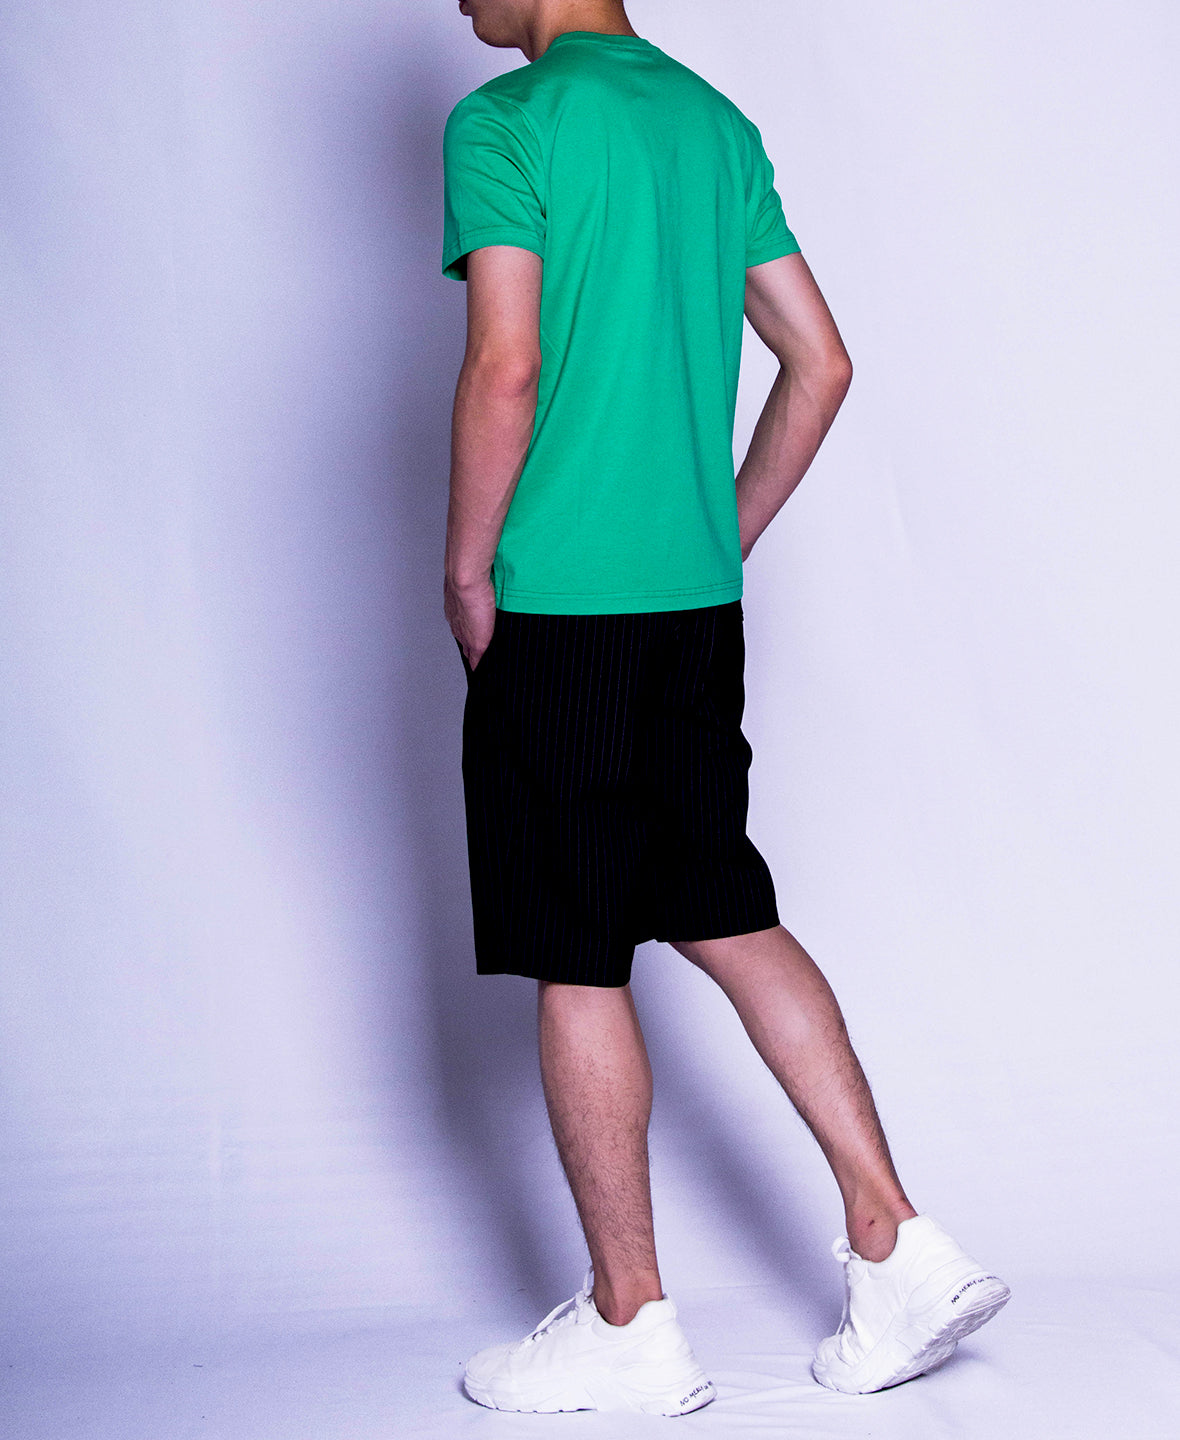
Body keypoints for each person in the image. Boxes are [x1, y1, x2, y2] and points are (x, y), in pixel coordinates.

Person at [441, 0, 1010, 1417]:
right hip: (693, 613)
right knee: (728, 911)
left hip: (562, 609)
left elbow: (507, 361)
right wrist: (720, 535)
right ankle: (897, 1243)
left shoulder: (507, 123)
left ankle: (630, 1324)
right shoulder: (711, 122)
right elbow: (823, 360)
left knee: (579, 956)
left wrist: (466, 568)